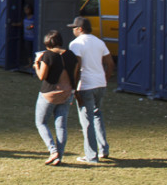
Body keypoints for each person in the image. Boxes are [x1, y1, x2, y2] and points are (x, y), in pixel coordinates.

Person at [68, 16, 115, 164]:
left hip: (85, 85)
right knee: (97, 115)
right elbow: (110, 63)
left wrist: (74, 88)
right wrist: (105, 79)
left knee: (86, 119)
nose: (73, 31)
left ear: (80, 29)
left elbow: (77, 67)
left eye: (74, 28)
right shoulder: (99, 41)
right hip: (100, 84)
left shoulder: (76, 44)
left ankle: (91, 155)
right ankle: (103, 149)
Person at [33, 29, 80, 166]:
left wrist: (37, 64)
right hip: (67, 93)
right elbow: (76, 74)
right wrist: (74, 91)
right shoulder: (71, 55)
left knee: (41, 123)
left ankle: (53, 151)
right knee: (61, 126)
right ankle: (60, 155)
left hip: (49, 93)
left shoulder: (47, 55)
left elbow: (42, 76)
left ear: (48, 43)